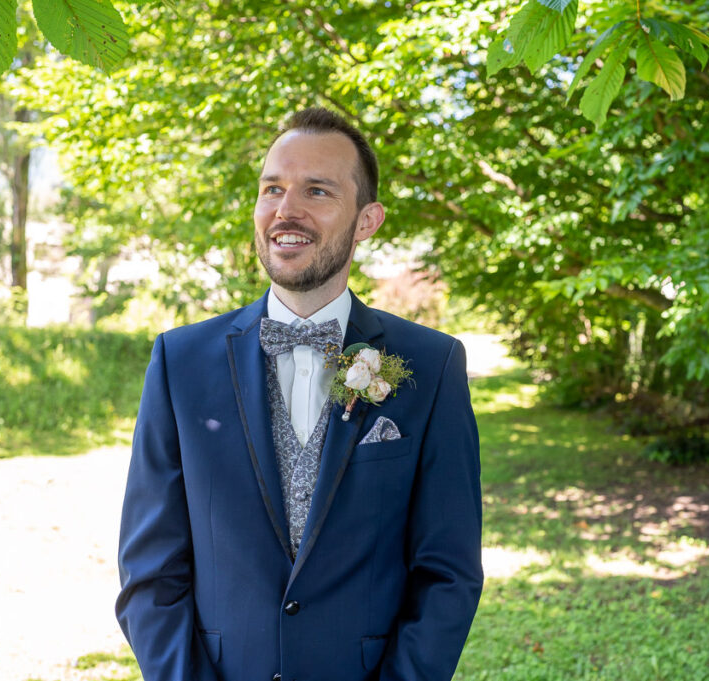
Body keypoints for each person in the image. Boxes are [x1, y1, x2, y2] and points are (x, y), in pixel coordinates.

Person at [116, 107, 483, 681]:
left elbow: (448, 572)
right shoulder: (178, 361)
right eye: (272, 189)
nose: (286, 210)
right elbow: (149, 570)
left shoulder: (431, 365)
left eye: (317, 191)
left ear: (366, 220)